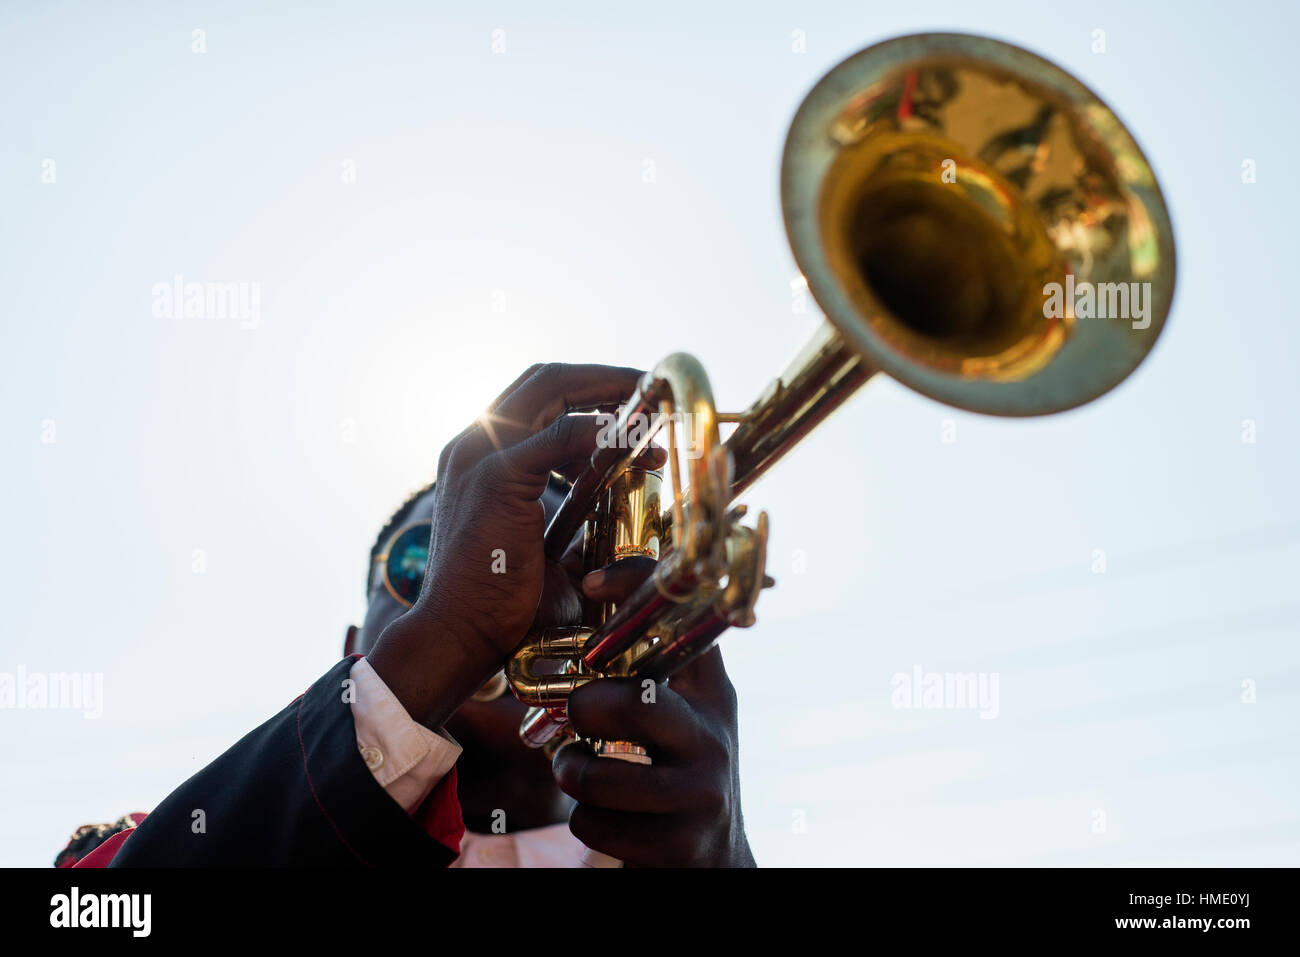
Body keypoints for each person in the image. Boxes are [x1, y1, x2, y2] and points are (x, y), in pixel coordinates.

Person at [64, 363, 754, 867]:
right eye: (420, 569)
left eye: (562, 565)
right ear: (352, 649)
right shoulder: (124, 855)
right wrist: (443, 638)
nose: (511, 594)